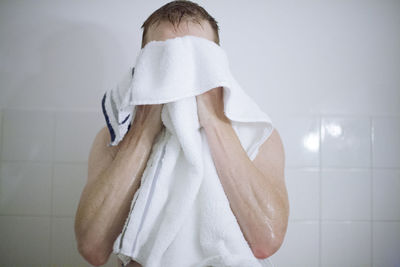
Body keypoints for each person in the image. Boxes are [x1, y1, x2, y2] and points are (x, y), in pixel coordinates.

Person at [74, 1, 289, 266]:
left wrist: (214, 119)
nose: (180, 73)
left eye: (198, 61)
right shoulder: (113, 138)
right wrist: (142, 131)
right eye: (165, 60)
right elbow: (92, 248)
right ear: (144, 66)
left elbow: (266, 241)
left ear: (217, 65)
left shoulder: (258, 136)